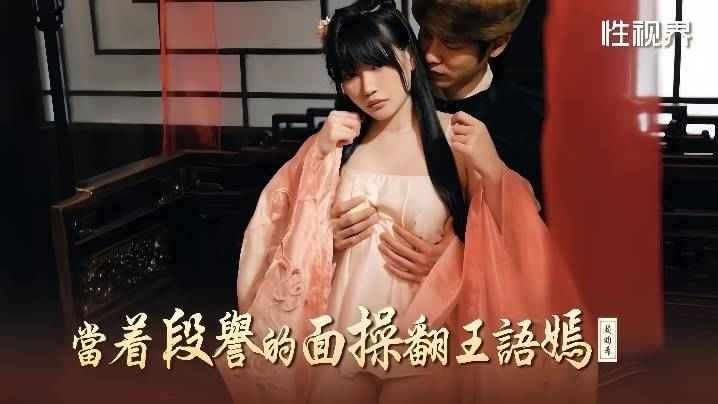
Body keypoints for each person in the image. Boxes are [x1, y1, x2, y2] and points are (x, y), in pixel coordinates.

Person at [215, 1, 593, 403]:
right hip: (346, 320)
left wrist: (457, 259)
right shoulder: (338, 143)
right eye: (351, 75)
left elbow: (521, 239)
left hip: (429, 323)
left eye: (379, 65)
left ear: (408, 58)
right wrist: (319, 237)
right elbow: (273, 223)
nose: (368, 87)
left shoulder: (465, 137)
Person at [331, 0, 543, 282]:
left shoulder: (525, 118)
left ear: (497, 45)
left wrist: (463, 259)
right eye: (426, 35)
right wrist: (322, 234)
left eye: (451, 44)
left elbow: (535, 237)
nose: (430, 55)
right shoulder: (386, 92)